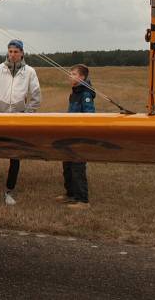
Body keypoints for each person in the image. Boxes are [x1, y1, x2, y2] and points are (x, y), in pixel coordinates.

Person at [0, 39, 41, 205]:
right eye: (10, 51)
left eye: (16, 51)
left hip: (18, 119)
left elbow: (36, 96)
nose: (12, 54)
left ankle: (9, 191)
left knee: (14, 157)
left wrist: (26, 114)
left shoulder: (30, 72)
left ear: (22, 53)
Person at [57, 63, 95, 209]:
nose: (70, 76)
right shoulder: (75, 92)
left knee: (78, 167)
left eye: (73, 74)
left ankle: (83, 200)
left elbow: (89, 115)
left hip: (79, 135)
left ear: (82, 77)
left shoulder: (85, 95)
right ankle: (70, 194)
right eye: (70, 73)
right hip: (70, 133)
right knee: (67, 164)